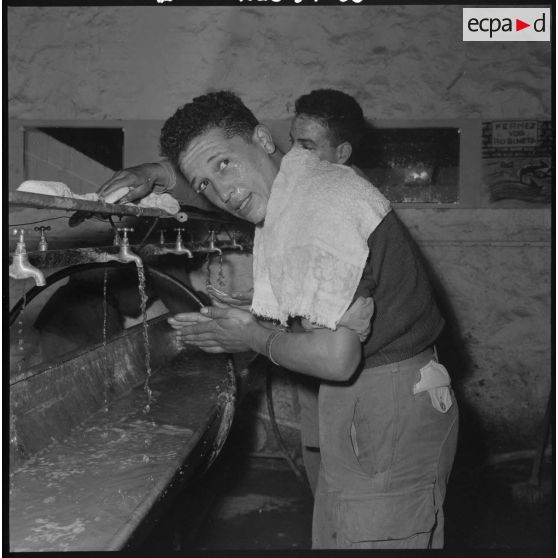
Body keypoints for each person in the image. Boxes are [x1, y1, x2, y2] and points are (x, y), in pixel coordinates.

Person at [99, 90, 458, 549]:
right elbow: (220, 186)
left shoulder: (319, 205)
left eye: (224, 164)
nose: (223, 193)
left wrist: (250, 333)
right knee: (340, 535)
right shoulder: (297, 187)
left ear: (264, 140)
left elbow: (336, 359)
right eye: (205, 183)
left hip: (388, 400)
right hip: (367, 396)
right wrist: (158, 174)